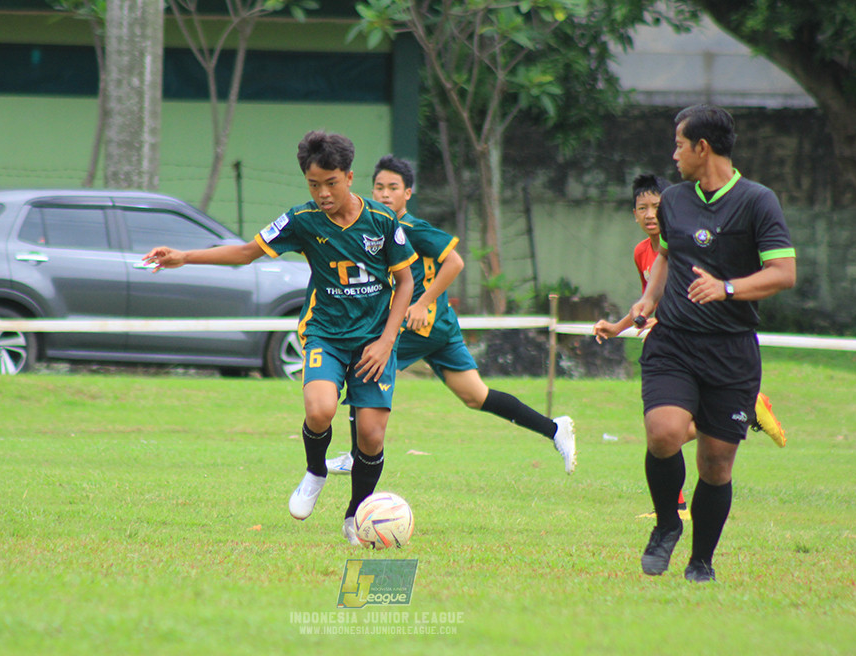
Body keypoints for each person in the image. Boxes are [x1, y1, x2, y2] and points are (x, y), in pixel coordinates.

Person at [143, 131, 417, 546]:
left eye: (331, 183)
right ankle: (315, 471)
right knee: (321, 409)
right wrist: (185, 256)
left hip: (374, 340)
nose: (323, 193)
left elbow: (405, 282)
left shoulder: (382, 221)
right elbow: (246, 252)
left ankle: (356, 513)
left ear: (349, 176)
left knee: (371, 435)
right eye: (313, 184)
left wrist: (385, 341)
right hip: (325, 332)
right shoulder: (301, 220)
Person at [627, 105, 796, 582]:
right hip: (674, 342)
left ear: (703, 148)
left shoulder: (758, 201)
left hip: (731, 350)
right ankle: (665, 526)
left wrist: (726, 287)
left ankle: (701, 562)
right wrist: (646, 301)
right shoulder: (675, 200)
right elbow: (664, 257)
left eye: (680, 144)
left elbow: (784, 273)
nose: (673, 153)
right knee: (663, 432)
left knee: (716, 462)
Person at [326, 155, 576, 476]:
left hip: (424, 325)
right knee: (476, 396)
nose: (385, 194)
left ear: (408, 193)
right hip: (439, 328)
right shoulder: (377, 228)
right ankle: (555, 429)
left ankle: (355, 456)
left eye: (393, 187)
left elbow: (455, 262)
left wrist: (423, 303)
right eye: (379, 187)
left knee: (365, 363)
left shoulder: (412, 228)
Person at [592, 175, 789, 519]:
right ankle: (674, 507)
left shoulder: (694, 238)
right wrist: (618, 327)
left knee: (672, 431)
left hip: (701, 341)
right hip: (668, 340)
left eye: (657, 207)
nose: (651, 214)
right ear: (633, 215)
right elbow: (649, 299)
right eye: (643, 208)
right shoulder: (643, 252)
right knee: (663, 431)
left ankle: (678, 505)